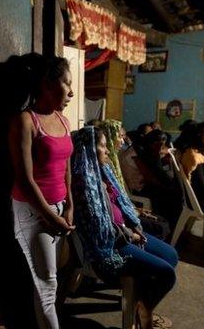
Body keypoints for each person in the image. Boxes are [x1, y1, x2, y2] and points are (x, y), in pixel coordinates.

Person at [71, 126, 178, 329]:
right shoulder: (84, 185)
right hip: (110, 247)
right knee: (166, 274)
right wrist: (132, 235)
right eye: (103, 146)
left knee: (171, 255)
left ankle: (141, 302)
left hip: (123, 234)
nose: (109, 151)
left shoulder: (103, 173)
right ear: (89, 151)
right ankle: (143, 312)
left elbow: (121, 206)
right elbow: (100, 231)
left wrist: (133, 224)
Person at [8, 55, 76, 329]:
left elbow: (66, 169)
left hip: (58, 209)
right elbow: (25, 180)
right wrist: (50, 216)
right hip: (34, 212)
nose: (71, 91)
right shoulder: (25, 121)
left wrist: (69, 205)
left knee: (53, 278)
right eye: (66, 83)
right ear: (47, 84)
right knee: (46, 285)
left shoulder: (62, 119)